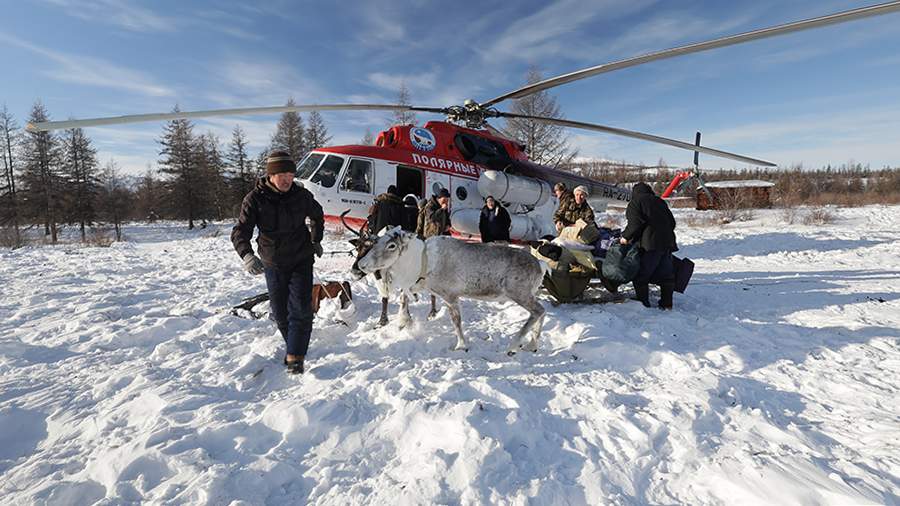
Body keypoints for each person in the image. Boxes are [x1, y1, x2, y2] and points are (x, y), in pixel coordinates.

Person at [231, 150, 324, 374]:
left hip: (301, 257)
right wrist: (247, 255)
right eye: (281, 174)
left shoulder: (301, 196)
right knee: (280, 312)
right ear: (271, 175)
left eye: (290, 174)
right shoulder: (255, 198)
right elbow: (240, 231)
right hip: (273, 263)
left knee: (301, 308)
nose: (287, 179)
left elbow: (318, 214)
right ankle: (295, 344)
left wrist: (316, 239)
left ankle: (295, 357)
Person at [620, 182, 677, 309]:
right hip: (667, 243)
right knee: (666, 276)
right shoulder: (660, 201)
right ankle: (667, 304)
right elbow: (672, 223)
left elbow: (635, 224)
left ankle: (643, 304)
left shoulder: (636, 202)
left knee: (641, 275)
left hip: (650, 245)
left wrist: (625, 237)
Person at [416, 187, 452, 317]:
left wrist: (448, 224)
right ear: (439, 197)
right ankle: (431, 303)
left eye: (447, 199)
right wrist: (441, 209)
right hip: (430, 240)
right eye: (445, 199)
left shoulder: (443, 207)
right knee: (430, 269)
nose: (446, 201)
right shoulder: (430, 206)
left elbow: (446, 220)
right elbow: (431, 218)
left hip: (439, 240)